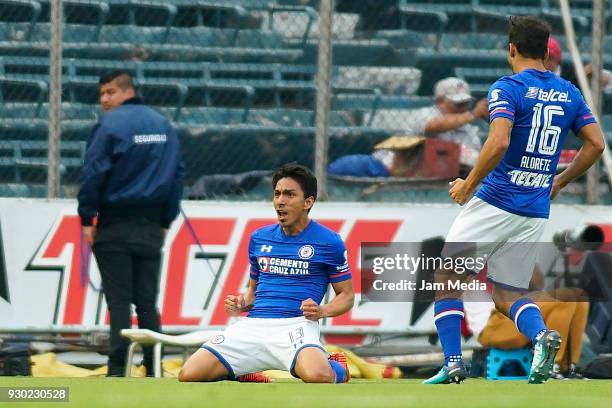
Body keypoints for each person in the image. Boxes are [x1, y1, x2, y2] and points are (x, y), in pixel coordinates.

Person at [424, 16, 605, 385]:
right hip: (535, 206)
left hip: (496, 199)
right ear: (544, 51)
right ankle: (542, 337)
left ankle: (453, 363)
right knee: (507, 292)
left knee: (446, 276)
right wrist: (560, 181)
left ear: (512, 49)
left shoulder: (507, 87)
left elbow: (500, 140)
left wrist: (469, 184)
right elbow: (597, 144)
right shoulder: (569, 92)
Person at [178, 163, 355, 384]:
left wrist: (322, 310)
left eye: (290, 195)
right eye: (277, 194)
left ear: (308, 202)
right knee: (189, 374)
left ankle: (338, 367)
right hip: (253, 326)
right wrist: (241, 303)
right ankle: (243, 371)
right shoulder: (259, 238)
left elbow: (347, 296)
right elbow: (253, 293)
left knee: (319, 376)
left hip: (296, 324)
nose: (281, 201)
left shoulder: (329, 242)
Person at [77, 71, 184, 377]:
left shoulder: (109, 125)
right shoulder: (163, 124)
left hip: (114, 224)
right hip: (152, 225)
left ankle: (117, 368)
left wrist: (87, 217)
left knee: (119, 301)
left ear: (126, 91)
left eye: (109, 92)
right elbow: (177, 174)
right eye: (101, 94)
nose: (104, 100)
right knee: (148, 303)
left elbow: (93, 172)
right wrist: (167, 218)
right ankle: (154, 366)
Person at [464, 267, 589, 380]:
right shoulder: (483, 253)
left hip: (514, 317)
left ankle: (569, 367)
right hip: (491, 326)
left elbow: (537, 283)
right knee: (565, 298)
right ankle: (552, 365)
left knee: (580, 296)